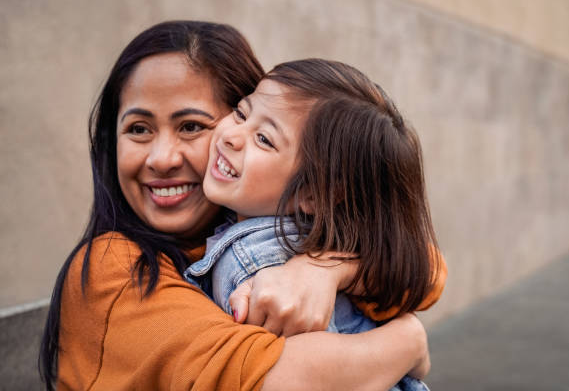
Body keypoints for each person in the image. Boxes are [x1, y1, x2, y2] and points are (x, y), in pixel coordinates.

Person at [39, 21, 432, 391]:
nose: (161, 158)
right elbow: (257, 379)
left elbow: (426, 267)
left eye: (191, 126)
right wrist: (408, 341)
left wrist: (321, 270)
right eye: (138, 129)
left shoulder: (248, 223)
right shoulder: (112, 267)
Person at [184, 59, 447, 391]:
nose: (233, 137)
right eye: (241, 112)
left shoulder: (258, 265)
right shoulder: (320, 234)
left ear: (312, 195)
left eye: (264, 139)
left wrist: (328, 269)